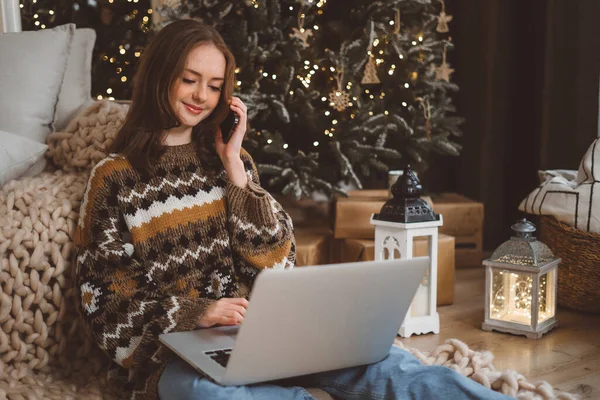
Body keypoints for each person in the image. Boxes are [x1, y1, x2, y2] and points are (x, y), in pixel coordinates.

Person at [74, 19, 511, 400]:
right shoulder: (115, 178)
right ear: (160, 75)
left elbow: (278, 259)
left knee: (389, 366)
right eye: (190, 79)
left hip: (266, 336)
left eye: (214, 85)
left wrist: (234, 171)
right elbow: (105, 304)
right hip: (176, 355)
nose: (201, 97)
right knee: (206, 392)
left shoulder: (232, 162)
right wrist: (198, 313)